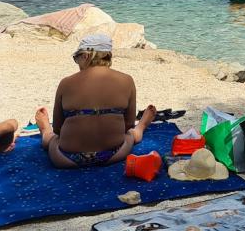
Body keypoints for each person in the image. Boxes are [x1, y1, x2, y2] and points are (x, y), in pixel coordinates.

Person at [34, 33, 156, 169]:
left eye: (76, 58)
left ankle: (44, 130)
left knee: (51, 139)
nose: (77, 63)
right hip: (112, 154)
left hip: (67, 158)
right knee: (130, 135)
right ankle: (141, 127)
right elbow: (127, 124)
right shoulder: (127, 80)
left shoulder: (66, 83)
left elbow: (58, 128)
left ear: (86, 56)